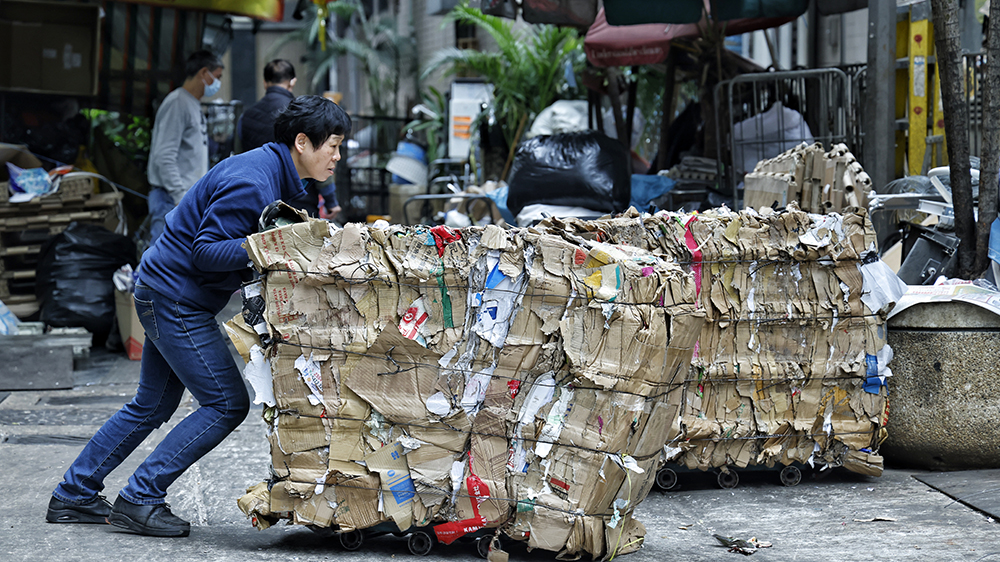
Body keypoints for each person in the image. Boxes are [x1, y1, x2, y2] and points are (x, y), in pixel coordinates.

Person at [45, 95, 352, 538]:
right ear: (303, 142)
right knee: (226, 403)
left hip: (166, 290)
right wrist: (269, 247)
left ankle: (74, 493)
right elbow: (206, 251)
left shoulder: (269, 171)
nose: (337, 157)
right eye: (334, 146)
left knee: (152, 404)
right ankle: (141, 498)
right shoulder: (253, 180)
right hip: (173, 297)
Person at [239, 59, 341, 221]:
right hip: (300, 201)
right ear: (292, 82)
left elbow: (240, 156)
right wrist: (331, 200)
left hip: (260, 200)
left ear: (265, 83)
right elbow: (320, 156)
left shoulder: (246, 116)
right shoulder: (304, 116)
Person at [146, 50, 225, 244]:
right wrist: (179, 196)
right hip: (171, 200)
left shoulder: (191, 103)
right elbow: (164, 156)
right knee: (163, 264)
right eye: (217, 77)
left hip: (182, 200)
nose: (218, 83)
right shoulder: (177, 103)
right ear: (204, 73)